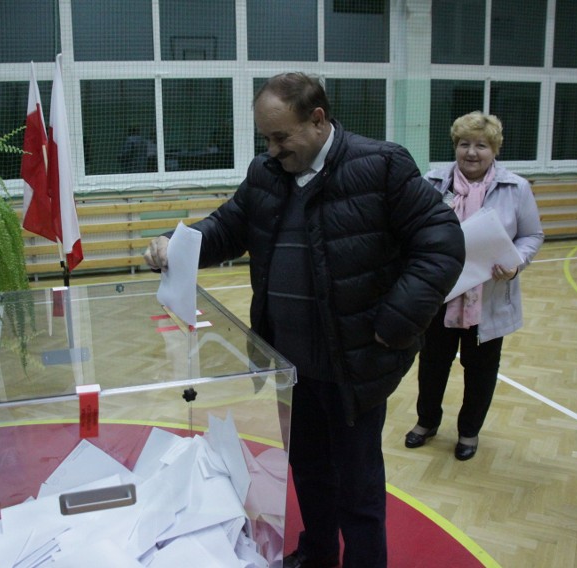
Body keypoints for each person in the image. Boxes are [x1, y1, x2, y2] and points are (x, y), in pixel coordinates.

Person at [144, 72, 465, 568]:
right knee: (310, 471)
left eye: (280, 137)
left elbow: (441, 243)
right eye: (265, 139)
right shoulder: (267, 173)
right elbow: (226, 228)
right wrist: (176, 245)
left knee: (357, 486)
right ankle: (317, 555)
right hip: (289, 366)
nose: (272, 149)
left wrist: (395, 323)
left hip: (353, 364)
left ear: (317, 120)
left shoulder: (381, 165)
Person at [404, 111, 544, 461]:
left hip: (490, 299)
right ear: (455, 147)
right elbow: (412, 227)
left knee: (481, 372)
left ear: (494, 149)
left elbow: (532, 235)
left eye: (481, 145)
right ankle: (426, 422)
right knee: (432, 364)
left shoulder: (517, 188)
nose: (471, 152)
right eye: (464, 144)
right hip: (439, 296)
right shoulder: (433, 183)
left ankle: (469, 432)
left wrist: (515, 263)